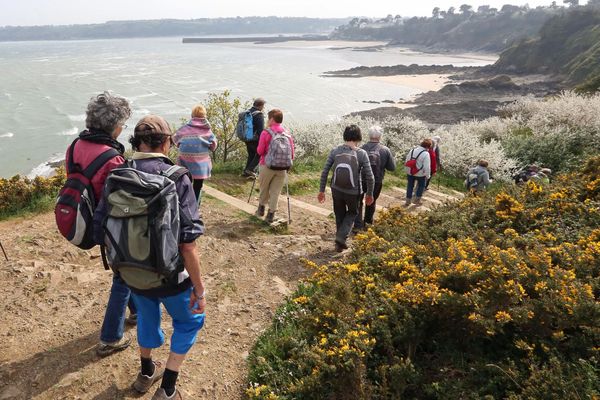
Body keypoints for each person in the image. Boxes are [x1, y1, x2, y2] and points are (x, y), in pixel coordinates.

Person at [94, 115, 206, 400]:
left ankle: (146, 371)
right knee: (190, 320)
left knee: (146, 315)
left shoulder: (117, 174)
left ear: (136, 142)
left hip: (131, 271)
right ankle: (168, 387)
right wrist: (199, 289)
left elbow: (100, 228)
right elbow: (188, 244)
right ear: (167, 142)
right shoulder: (177, 177)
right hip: (171, 275)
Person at [63, 92, 136, 357]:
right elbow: (122, 199)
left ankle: (136, 311)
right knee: (124, 275)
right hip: (109, 226)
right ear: (114, 126)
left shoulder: (74, 146)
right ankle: (110, 338)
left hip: (85, 216)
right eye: (122, 124)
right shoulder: (112, 157)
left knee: (125, 271)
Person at [318, 125, 374, 252]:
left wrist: (322, 190)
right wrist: (369, 194)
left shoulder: (335, 151)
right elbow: (370, 177)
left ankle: (339, 243)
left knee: (339, 214)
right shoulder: (361, 153)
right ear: (358, 137)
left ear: (345, 136)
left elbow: (325, 171)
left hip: (336, 189)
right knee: (353, 212)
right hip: (354, 192)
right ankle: (341, 238)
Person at [255, 109, 295, 223]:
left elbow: (260, 151)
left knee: (264, 188)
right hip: (282, 167)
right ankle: (271, 214)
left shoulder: (266, 132)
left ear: (271, 119)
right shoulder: (287, 134)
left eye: (268, 118)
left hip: (267, 165)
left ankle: (261, 208)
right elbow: (292, 153)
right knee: (275, 191)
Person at [173, 104, 218, 203]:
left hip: (184, 163)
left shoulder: (184, 129)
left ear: (192, 115)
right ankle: (195, 207)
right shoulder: (207, 131)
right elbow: (214, 146)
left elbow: (175, 140)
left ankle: (183, 204)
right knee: (198, 186)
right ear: (204, 116)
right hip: (200, 165)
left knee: (185, 183)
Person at [355, 125, 396, 229]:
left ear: (369, 136)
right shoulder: (385, 150)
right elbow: (392, 168)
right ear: (380, 136)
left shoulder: (361, 148)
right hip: (376, 180)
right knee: (371, 201)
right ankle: (367, 224)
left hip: (361, 179)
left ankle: (357, 225)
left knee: (358, 202)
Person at [242, 98, 266, 177]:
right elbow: (261, 131)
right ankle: (250, 169)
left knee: (251, 155)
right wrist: (263, 141)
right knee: (259, 153)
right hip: (255, 139)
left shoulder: (247, 112)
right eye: (263, 106)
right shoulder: (259, 115)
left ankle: (246, 172)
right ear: (261, 106)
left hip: (246, 137)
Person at [404, 139, 432, 206]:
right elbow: (427, 167)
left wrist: (407, 170)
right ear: (428, 147)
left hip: (410, 171)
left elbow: (407, 160)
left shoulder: (412, 150)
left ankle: (408, 200)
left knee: (410, 185)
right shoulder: (426, 154)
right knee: (421, 186)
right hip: (420, 173)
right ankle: (417, 200)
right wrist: (428, 175)